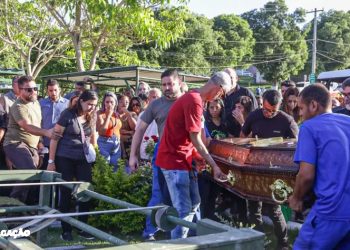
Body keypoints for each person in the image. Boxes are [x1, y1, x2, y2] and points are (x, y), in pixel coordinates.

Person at [156, 71, 231, 239]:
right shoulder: (195, 101)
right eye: (223, 93)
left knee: (194, 204)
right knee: (182, 209)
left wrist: (197, 157)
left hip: (182, 160)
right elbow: (196, 138)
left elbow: (190, 139)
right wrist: (214, 166)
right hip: (174, 162)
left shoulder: (195, 98)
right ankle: (178, 245)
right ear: (219, 89)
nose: (222, 97)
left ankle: (192, 241)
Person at [289, 84, 350, 249]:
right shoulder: (348, 122)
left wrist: (296, 198)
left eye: (301, 108)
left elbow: (306, 174)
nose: (300, 113)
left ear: (313, 105)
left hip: (330, 210)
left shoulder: (310, 127)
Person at [241, 89, 298, 250]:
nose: (268, 113)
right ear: (261, 102)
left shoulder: (287, 121)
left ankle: (283, 243)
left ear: (280, 106)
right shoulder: (254, 115)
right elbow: (242, 136)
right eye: (265, 109)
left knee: (273, 209)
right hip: (254, 168)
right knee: (253, 208)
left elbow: (297, 145)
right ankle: (258, 241)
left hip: (276, 171)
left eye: (273, 111)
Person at [129, 69, 183, 240]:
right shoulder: (156, 104)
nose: (167, 87)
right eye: (164, 84)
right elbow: (139, 130)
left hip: (185, 153)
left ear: (179, 83)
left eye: (170, 84)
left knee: (183, 198)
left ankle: (184, 234)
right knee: (158, 194)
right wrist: (133, 155)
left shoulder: (188, 101)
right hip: (162, 151)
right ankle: (149, 232)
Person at [48, 90, 98, 242]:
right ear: (81, 101)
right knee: (66, 192)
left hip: (83, 158)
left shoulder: (92, 115)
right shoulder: (67, 115)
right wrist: (51, 161)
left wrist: (95, 155)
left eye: (94, 105)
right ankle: (66, 229)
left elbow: (93, 136)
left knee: (85, 192)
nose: (91, 107)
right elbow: (55, 138)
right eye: (89, 104)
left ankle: (83, 228)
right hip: (65, 157)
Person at [3, 76, 58, 203]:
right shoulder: (18, 106)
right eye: (28, 90)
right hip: (15, 144)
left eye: (35, 88)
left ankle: (19, 206)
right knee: (29, 171)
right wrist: (46, 133)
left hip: (32, 146)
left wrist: (40, 143)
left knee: (31, 177)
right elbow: (26, 126)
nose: (33, 92)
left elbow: (36, 125)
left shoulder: (36, 103)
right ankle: (12, 205)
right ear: (19, 90)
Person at [39, 79, 69, 170]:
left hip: (62, 144)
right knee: (45, 172)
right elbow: (38, 123)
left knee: (61, 172)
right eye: (51, 90)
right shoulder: (41, 103)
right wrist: (39, 142)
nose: (53, 93)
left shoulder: (67, 104)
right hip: (45, 144)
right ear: (47, 91)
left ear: (59, 89)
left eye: (55, 90)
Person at [223, 68, 258, 137]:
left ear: (236, 78)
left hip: (245, 136)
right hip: (225, 136)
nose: (228, 80)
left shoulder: (246, 92)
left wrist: (243, 123)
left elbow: (255, 115)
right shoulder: (219, 93)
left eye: (230, 77)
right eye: (225, 77)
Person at [96, 92, 122, 171]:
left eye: (112, 102)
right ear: (104, 103)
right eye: (107, 102)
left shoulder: (117, 115)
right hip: (104, 141)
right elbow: (102, 131)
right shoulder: (100, 114)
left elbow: (118, 129)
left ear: (115, 103)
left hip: (116, 142)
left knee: (115, 167)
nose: (109, 104)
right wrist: (108, 115)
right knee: (104, 166)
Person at [118, 95, 137, 159]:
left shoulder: (132, 114)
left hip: (129, 144)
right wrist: (129, 132)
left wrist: (128, 114)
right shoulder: (114, 115)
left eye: (127, 102)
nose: (124, 104)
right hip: (118, 144)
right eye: (121, 102)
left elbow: (135, 128)